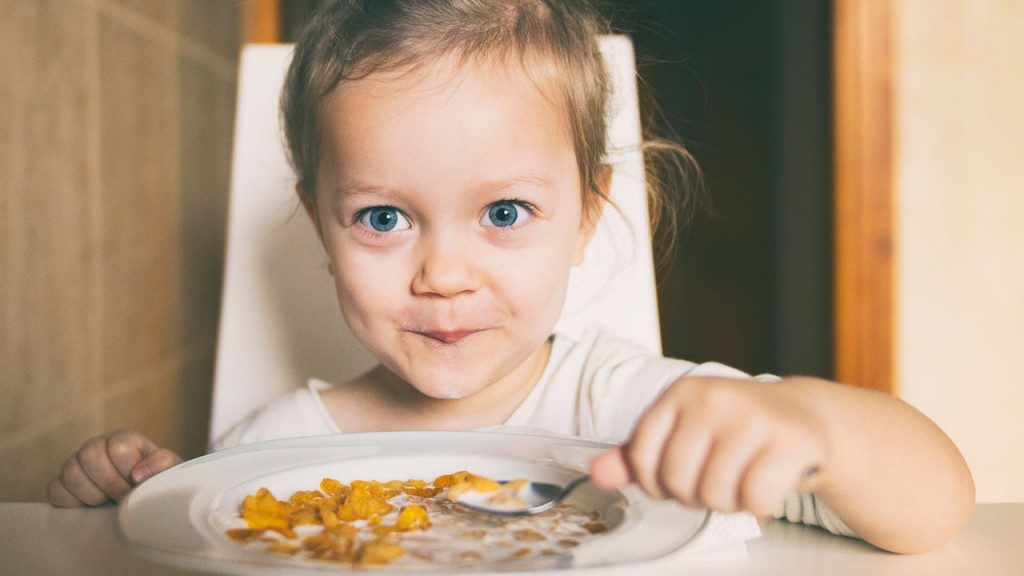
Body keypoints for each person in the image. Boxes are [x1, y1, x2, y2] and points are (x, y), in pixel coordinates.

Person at [47, 0, 974, 554]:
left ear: (586, 215)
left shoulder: (642, 413)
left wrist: (811, 425)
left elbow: (933, 509)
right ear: (321, 226)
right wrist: (116, 507)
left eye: (503, 214)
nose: (444, 275)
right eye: (382, 218)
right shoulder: (281, 450)